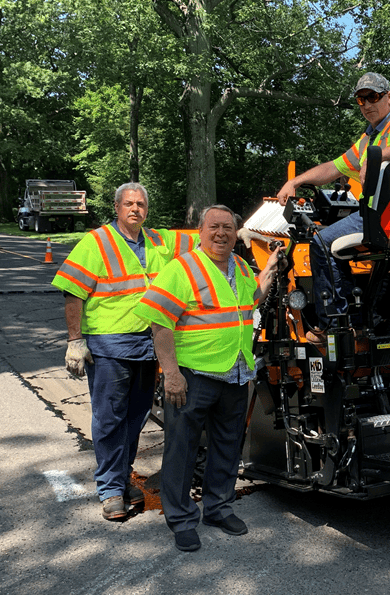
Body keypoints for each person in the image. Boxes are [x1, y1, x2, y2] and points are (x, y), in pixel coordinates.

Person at [134, 205, 283, 552]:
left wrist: (270, 270)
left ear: (236, 233)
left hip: (235, 372)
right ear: (200, 231)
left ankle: (218, 508)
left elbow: (251, 300)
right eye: (214, 227)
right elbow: (159, 323)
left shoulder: (242, 267)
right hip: (193, 376)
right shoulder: (181, 269)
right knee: (181, 450)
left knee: (228, 448)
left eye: (228, 228)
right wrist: (171, 374)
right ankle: (182, 519)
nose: (221, 233)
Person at [51, 182, 196, 521]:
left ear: (147, 209)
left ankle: (119, 475)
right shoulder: (97, 242)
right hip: (110, 345)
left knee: (137, 416)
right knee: (109, 418)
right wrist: (75, 340)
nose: (135, 209)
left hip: (148, 345)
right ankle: (111, 489)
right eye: (129, 203)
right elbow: (72, 292)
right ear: (116, 207)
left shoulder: (159, 240)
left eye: (141, 204)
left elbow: (201, 237)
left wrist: (245, 231)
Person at [276, 72, 390, 342]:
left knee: (320, 242)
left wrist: (376, 156)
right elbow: (333, 168)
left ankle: (334, 324)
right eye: (361, 99)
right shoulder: (369, 138)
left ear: (389, 98)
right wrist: (295, 181)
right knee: (335, 246)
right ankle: (356, 319)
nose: (367, 104)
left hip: (387, 217)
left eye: (374, 97)